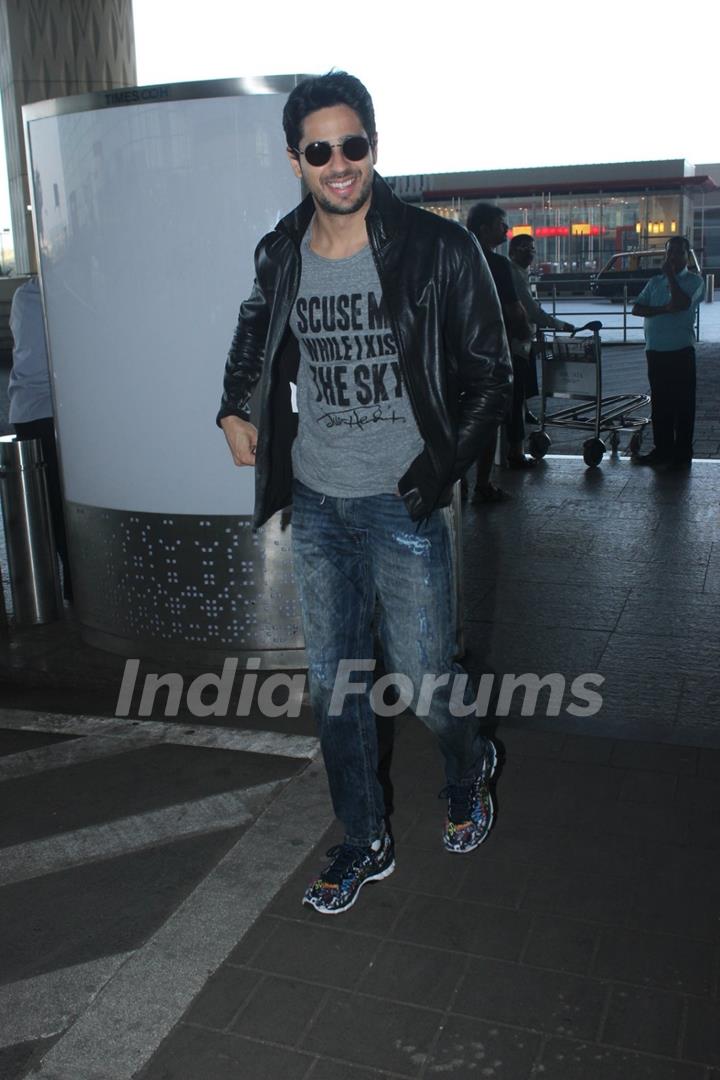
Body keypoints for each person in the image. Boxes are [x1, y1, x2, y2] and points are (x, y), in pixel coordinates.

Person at [218, 72, 512, 915]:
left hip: (402, 501)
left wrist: (437, 470)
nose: (340, 163)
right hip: (318, 503)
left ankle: (470, 763)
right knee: (335, 687)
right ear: (296, 159)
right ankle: (364, 839)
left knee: (426, 682)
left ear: (373, 147)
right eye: (321, 150)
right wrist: (232, 405)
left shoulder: (438, 248)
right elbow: (252, 330)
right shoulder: (282, 252)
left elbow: (493, 376)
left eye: (354, 145)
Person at [8, 276, 73, 604]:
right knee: (63, 508)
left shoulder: (23, 295)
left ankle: (48, 592)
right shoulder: (59, 294)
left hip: (27, 413)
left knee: (42, 507)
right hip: (54, 412)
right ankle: (74, 587)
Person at [465, 203, 530, 493]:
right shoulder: (498, 265)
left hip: (454, 352)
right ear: (484, 229)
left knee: (456, 417)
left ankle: (457, 486)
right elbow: (515, 311)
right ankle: (482, 484)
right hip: (490, 353)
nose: (506, 230)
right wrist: (525, 335)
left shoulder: (450, 260)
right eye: (501, 224)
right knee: (488, 417)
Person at [631, 236, 705, 469]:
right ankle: (662, 450)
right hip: (655, 350)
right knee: (660, 404)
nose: (672, 257)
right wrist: (663, 309)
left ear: (687, 256)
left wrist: (672, 277)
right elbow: (637, 308)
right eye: (669, 252)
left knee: (683, 404)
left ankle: (682, 453)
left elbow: (682, 303)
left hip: (681, 351)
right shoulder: (654, 282)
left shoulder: (695, 281)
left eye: (678, 253)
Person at [508, 233, 575, 456]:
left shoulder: (523, 273)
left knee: (521, 389)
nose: (530, 253)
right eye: (524, 248)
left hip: (524, 340)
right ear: (512, 251)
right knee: (515, 396)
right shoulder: (513, 274)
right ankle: (515, 452)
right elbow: (531, 310)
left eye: (532, 249)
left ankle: (516, 439)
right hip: (515, 342)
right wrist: (559, 324)